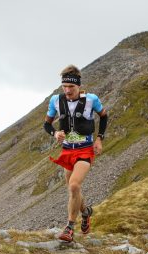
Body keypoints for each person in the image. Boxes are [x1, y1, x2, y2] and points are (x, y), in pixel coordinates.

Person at [43, 65, 108, 242]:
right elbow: (47, 124)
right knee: (74, 190)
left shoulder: (91, 99)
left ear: (78, 86)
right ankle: (86, 212)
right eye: (64, 86)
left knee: (73, 186)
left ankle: (69, 228)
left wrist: (99, 138)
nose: (67, 90)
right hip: (67, 150)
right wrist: (55, 133)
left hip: (85, 150)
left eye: (71, 87)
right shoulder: (56, 101)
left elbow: (104, 116)